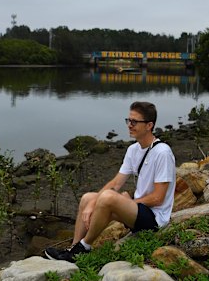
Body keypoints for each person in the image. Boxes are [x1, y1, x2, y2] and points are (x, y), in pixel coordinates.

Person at [45, 101, 176, 262]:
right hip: (138, 212)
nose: (129, 125)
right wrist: (93, 202)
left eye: (135, 122)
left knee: (108, 197)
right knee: (87, 198)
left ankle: (85, 246)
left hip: (155, 219)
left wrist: (131, 203)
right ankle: (73, 249)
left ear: (149, 125)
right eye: (128, 120)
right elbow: (116, 183)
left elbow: (158, 198)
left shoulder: (162, 152)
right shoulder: (133, 149)